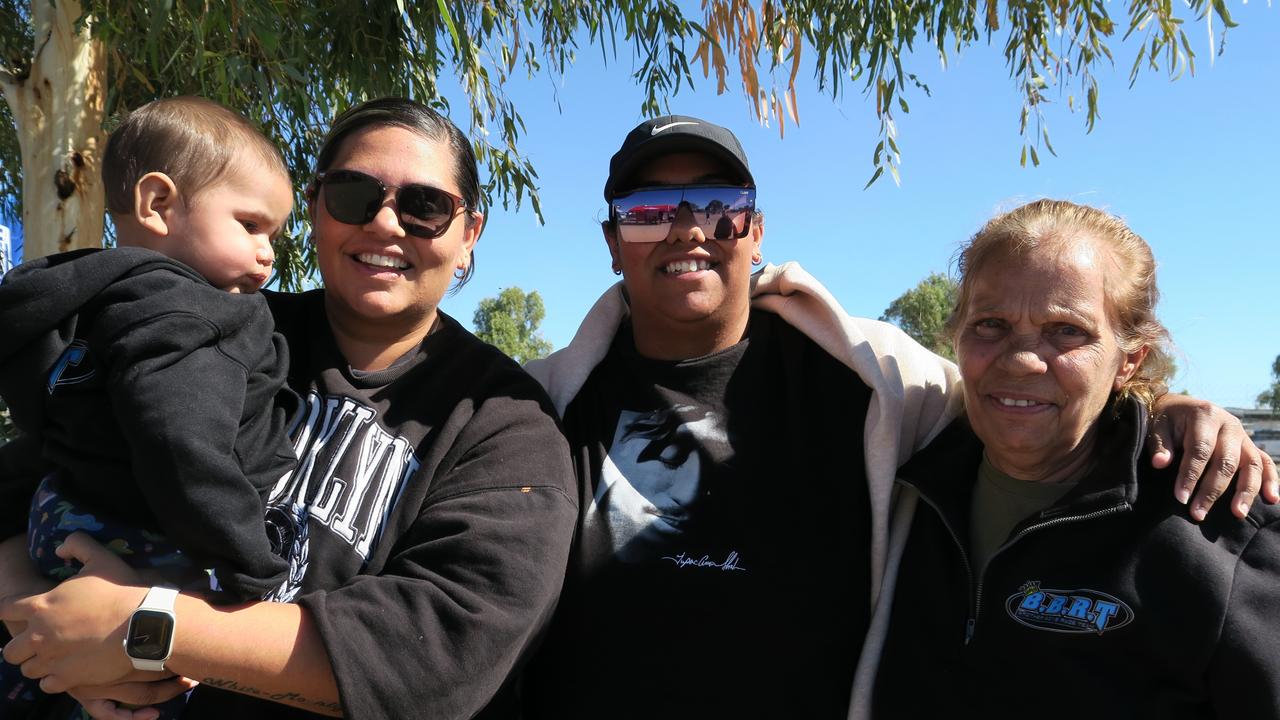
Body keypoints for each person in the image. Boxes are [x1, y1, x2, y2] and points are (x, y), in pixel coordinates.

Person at [519, 116, 1277, 719]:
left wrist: (1162, 407)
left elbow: (1024, 404)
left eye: (720, 208)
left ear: (754, 233)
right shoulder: (541, 406)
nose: (688, 228)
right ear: (614, 243)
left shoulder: (873, 379)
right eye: (648, 212)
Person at [0, 97, 578, 720]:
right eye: (354, 194)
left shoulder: (504, 423)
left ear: (468, 236)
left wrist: (146, 631)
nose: (386, 224)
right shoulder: (203, 325)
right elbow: (29, 473)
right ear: (316, 209)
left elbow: (438, 659)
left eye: (425, 207)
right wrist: (42, 623)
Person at [870, 199, 1280, 716]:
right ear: (955, 337)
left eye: (1067, 330)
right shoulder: (901, 481)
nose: (1020, 360)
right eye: (990, 324)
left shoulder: (1224, 534)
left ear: (1129, 360)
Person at [0, 95, 297, 718]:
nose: (270, 253)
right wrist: (251, 571)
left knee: (38, 678)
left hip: (58, 516)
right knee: (142, 698)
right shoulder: (189, 313)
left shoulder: (83, 301)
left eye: (274, 234)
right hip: (142, 539)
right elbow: (180, 443)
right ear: (157, 204)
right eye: (251, 225)